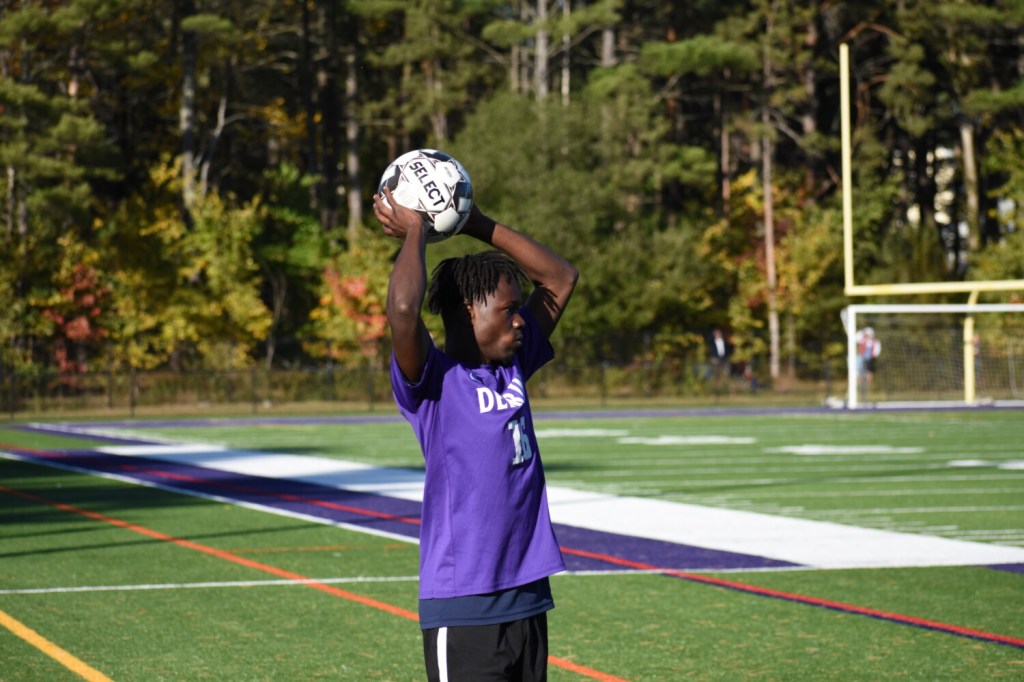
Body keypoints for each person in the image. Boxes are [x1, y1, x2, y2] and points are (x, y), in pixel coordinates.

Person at [374, 184, 579, 681]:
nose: (520, 320)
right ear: (469, 313)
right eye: (508, 311)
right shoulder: (435, 381)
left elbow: (560, 278)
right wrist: (417, 229)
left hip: (528, 596)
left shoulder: (513, 366)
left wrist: (476, 222)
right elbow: (402, 312)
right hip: (464, 604)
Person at [855, 326, 881, 398]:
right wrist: (863, 334)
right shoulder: (862, 339)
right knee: (859, 370)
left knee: (869, 371)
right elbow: (857, 337)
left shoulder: (875, 341)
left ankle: (868, 386)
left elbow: (876, 351)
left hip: (870, 358)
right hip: (861, 357)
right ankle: (860, 385)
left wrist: (873, 356)